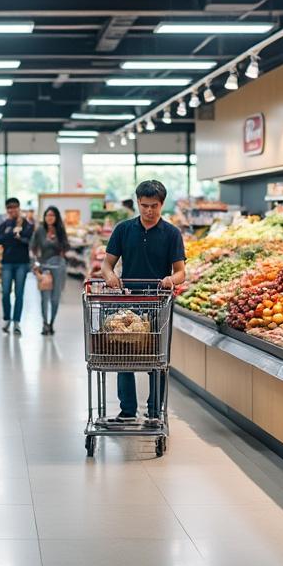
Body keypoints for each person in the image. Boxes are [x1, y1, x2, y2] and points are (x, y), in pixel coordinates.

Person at [100, 180, 186, 423]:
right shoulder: (123, 229)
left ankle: (154, 410)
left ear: (162, 204)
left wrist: (171, 279)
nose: (149, 211)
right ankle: (127, 410)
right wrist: (110, 276)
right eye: (144, 205)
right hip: (127, 302)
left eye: (154, 206)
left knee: (156, 358)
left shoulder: (171, 234)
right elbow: (107, 264)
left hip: (158, 302)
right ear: (137, 202)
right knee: (123, 355)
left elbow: (181, 271)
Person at [0, 198, 35, 334]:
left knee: (19, 293)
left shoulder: (27, 224)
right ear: (7, 210)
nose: (12, 210)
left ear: (19, 208)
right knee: (5, 292)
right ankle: (7, 318)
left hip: (22, 263)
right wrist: (12, 234)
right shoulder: (5, 224)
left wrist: (17, 238)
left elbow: (28, 240)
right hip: (7, 262)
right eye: (9, 208)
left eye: (14, 207)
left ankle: (17, 322)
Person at [31, 206, 69, 336]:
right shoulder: (40, 231)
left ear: (56, 217)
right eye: (47, 215)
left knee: (55, 298)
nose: (50, 217)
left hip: (58, 267)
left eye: (52, 215)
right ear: (44, 217)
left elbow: (66, 248)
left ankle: (52, 323)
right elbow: (33, 248)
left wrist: (57, 239)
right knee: (44, 297)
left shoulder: (60, 231)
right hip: (44, 266)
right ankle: (44, 323)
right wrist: (35, 265)